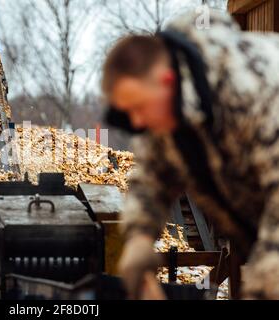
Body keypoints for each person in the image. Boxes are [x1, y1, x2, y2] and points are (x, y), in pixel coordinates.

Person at [102, 9, 279, 299]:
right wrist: (139, 238)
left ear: (168, 81)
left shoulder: (254, 89)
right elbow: (150, 179)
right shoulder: (167, 106)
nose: (136, 122)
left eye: (138, 106)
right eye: (127, 112)